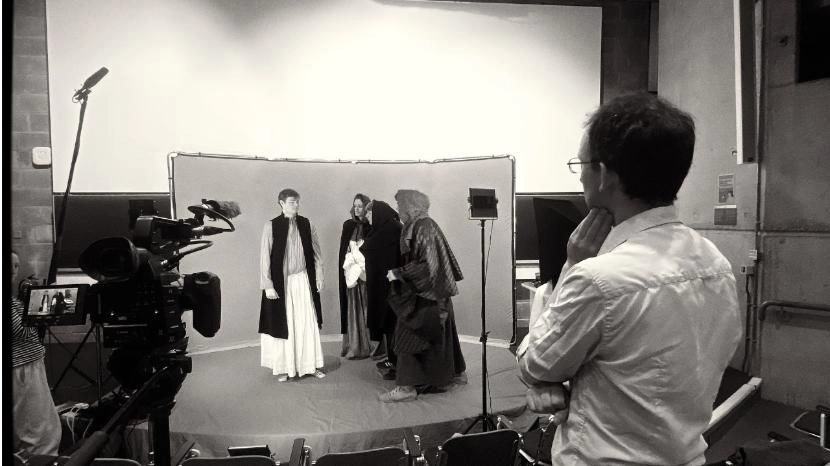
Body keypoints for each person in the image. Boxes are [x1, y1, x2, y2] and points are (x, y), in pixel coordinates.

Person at [516, 93, 742, 465]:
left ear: (603, 174)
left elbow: (537, 364)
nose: (582, 175)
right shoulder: (715, 262)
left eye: (581, 164)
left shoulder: (597, 277)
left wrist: (572, 264)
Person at [380, 189, 467, 402]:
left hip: (428, 294)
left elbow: (429, 264)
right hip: (434, 292)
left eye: (400, 206)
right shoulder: (422, 225)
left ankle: (407, 387)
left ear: (411, 207)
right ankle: (454, 375)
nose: (398, 210)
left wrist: (397, 273)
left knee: (407, 332)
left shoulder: (423, 226)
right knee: (441, 333)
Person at [259, 188, 326, 382]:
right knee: (285, 323)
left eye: (297, 202)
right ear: (281, 203)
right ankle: (287, 367)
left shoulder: (307, 224)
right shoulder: (271, 226)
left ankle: (310, 365)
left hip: (304, 280)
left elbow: (317, 254)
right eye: (291, 202)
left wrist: (319, 276)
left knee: (307, 322)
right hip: (282, 283)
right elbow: (265, 257)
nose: (296, 205)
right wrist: (268, 285)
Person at [10, 250, 62, 456]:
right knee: (39, 433)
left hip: (25, 366)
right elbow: (22, 330)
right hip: (21, 370)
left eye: (16, 265)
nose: (15, 271)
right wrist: (36, 306)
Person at [361, 200, 402, 379]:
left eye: (369, 214)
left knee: (391, 324)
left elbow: (367, 247)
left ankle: (397, 364)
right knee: (388, 324)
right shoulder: (388, 227)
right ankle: (393, 361)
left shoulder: (390, 228)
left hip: (391, 286)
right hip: (386, 284)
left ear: (377, 213)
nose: (367, 217)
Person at [338, 193, 372, 359]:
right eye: (355, 205)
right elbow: (344, 251)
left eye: (361, 205)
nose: (357, 208)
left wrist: (365, 270)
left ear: (366, 207)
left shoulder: (371, 226)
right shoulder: (348, 225)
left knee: (367, 309)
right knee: (353, 309)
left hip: (366, 275)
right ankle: (354, 346)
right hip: (351, 274)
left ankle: (369, 346)